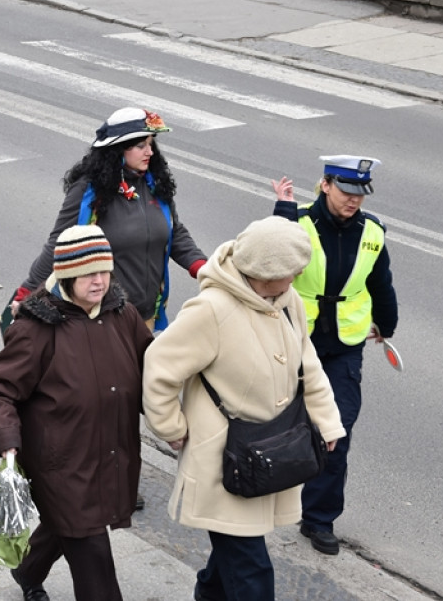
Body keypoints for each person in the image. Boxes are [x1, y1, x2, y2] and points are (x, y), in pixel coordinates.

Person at [142, 216, 346, 601]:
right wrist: (170, 427)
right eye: (292, 271)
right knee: (251, 568)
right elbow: (159, 366)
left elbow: (308, 365)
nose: (298, 278)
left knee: (233, 556)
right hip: (224, 462)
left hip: (268, 453)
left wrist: (327, 422)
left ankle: (208, 595)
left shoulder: (288, 302)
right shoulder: (212, 310)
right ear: (267, 272)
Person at [0, 225, 154, 601]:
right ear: (67, 275)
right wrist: (7, 439)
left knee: (68, 527)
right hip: (59, 465)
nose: (99, 281)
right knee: (92, 555)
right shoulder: (37, 328)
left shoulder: (123, 315)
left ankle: (28, 569)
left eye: (104, 271)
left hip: (111, 453)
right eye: (88, 273)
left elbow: (152, 373)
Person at [271, 155, 398, 556]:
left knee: (336, 430)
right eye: (345, 191)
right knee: (274, 420)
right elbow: (271, 260)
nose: (353, 200)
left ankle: (319, 518)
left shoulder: (372, 231)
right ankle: (261, 491)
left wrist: (387, 324)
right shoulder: (299, 221)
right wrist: (283, 212)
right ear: (325, 185)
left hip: (344, 345)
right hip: (295, 339)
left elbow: (380, 282)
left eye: (360, 193)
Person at [13, 107, 207, 334]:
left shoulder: (155, 185)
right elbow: (59, 243)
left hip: (146, 317)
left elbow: (174, 232)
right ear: (118, 150)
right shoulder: (89, 192)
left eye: (151, 143)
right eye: (141, 146)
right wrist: (26, 293)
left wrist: (204, 268)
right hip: (102, 319)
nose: (150, 152)